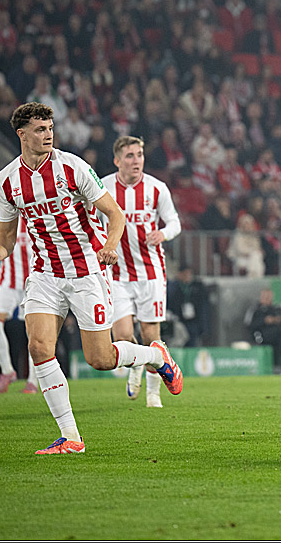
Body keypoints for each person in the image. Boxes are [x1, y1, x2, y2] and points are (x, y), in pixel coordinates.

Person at [0, 102, 183, 455]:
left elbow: (114, 214)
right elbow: (8, 236)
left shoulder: (72, 167)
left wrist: (109, 246)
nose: (48, 134)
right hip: (44, 274)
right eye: (40, 129)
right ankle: (71, 436)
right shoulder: (7, 181)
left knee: (101, 358)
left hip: (87, 270)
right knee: (39, 347)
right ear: (21, 134)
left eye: (50, 127)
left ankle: (156, 358)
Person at [101, 135, 182, 409]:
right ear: (117, 160)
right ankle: (136, 364)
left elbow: (175, 222)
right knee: (122, 336)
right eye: (130, 156)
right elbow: (94, 221)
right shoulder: (104, 187)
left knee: (151, 335)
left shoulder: (156, 188)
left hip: (150, 273)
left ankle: (153, 395)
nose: (136, 161)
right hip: (117, 274)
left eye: (139, 155)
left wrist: (163, 233)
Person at [0, 213, 38, 394]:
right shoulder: (3, 213)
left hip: (35, 281)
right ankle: (7, 371)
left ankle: (33, 380)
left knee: (34, 333)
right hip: (8, 281)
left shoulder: (37, 207)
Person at [243, 287, 281, 371]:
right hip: (261, 335)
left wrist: (277, 320)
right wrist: (264, 321)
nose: (267, 299)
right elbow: (249, 324)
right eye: (265, 296)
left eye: (269, 297)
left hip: (278, 335)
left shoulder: (277, 309)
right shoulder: (255, 310)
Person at [167, 264, 210, 347]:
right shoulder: (173, 287)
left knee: (192, 343)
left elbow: (203, 308)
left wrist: (204, 328)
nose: (188, 277)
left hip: (193, 321)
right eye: (185, 274)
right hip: (178, 321)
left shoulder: (197, 287)